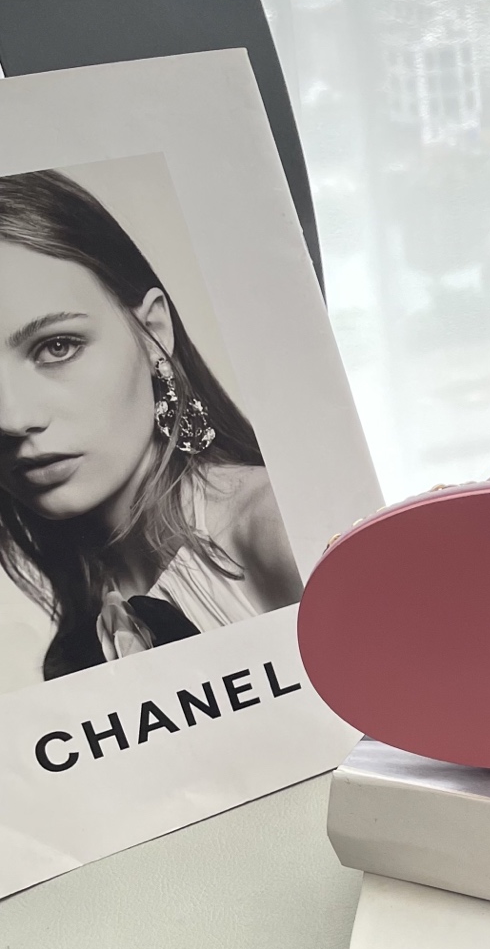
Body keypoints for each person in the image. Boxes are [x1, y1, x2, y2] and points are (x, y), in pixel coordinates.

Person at [0, 168, 300, 680]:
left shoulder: (276, 527)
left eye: (58, 346)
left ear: (153, 330)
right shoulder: (83, 625)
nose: (13, 418)